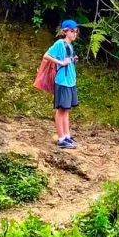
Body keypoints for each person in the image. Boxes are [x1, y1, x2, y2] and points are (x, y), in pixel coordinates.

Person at [44, 20, 79, 149]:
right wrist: (61, 62)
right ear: (65, 31)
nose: (74, 33)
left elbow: (67, 60)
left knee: (66, 109)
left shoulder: (70, 46)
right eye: (72, 31)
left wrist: (72, 60)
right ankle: (61, 138)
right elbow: (46, 56)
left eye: (76, 31)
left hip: (70, 81)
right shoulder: (60, 43)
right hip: (62, 81)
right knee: (61, 110)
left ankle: (67, 136)